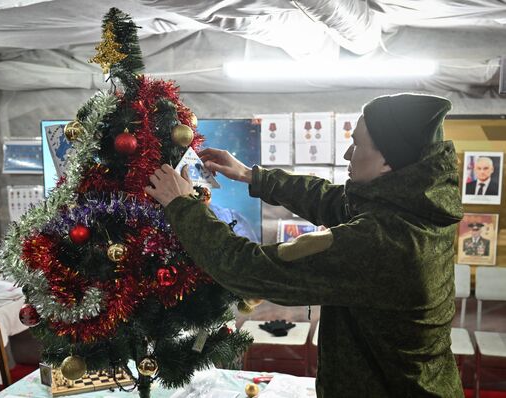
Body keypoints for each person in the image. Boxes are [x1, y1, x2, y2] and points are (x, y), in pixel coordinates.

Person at [145, 93, 464, 397]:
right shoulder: (413, 203)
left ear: (387, 162)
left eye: (357, 145)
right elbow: (331, 200)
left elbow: (250, 270)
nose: (347, 154)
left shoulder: (385, 244)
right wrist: (252, 176)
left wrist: (182, 206)